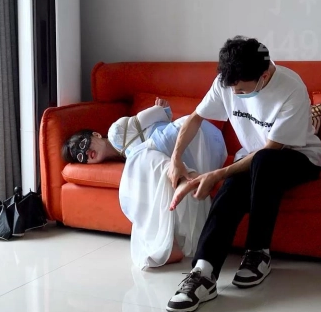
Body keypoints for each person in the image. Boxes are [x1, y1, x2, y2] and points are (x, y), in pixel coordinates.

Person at [165, 36, 321, 312]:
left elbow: (272, 148)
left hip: (300, 157)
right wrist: (175, 159)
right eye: (231, 89)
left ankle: (258, 253)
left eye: (240, 90)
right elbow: (196, 117)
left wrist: (216, 174)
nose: (234, 94)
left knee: (260, 161)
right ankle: (203, 272)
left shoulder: (291, 88)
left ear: (264, 77)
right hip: (256, 159)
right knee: (235, 183)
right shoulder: (227, 81)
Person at [62, 98, 227, 269]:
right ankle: (170, 241)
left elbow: (159, 114)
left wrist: (159, 108)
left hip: (190, 134)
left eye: (83, 143)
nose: (86, 152)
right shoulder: (127, 154)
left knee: (139, 159)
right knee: (143, 165)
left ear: (96, 134)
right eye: (81, 156)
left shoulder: (115, 131)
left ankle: (185, 179)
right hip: (205, 151)